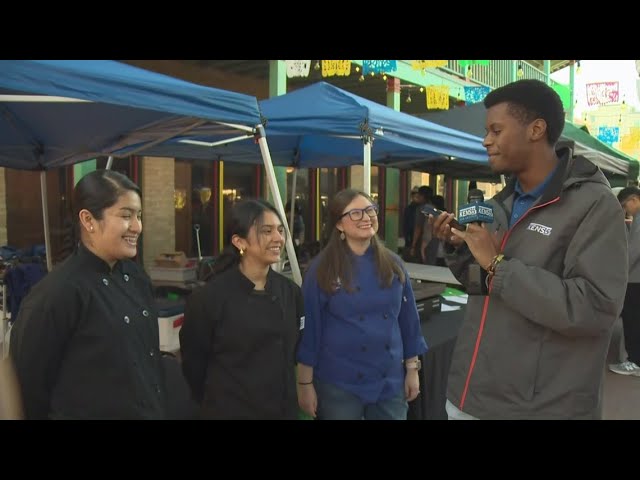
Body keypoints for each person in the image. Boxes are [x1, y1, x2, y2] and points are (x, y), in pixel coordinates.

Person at [430, 79, 628, 420]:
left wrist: (498, 263)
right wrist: (461, 250)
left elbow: (594, 309)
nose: (486, 140)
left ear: (536, 129)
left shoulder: (594, 205)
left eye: (496, 130)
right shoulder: (499, 204)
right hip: (469, 396)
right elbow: (483, 285)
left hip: (537, 408)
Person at [10, 170, 166, 420]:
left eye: (139, 216)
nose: (137, 226)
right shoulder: (58, 293)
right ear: (88, 220)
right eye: (126, 216)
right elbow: (29, 385)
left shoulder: (137, 278)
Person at [297, 188, 428, 420]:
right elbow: (310, 332)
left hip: (389, 381)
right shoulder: (321, 269)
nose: (367, 218)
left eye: (370, 210)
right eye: (356, 213)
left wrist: (412, 369)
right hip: (339, 383)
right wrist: (305, 383)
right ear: (339, 224)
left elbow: (409, 323)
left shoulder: (394, 264)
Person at [179, 199, 304, 419]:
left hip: (282, 410)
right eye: (267, 231)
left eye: (280, 230)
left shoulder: (290, 292)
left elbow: (294, 350)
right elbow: (194, 365)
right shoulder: (209, 298)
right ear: (239, 241)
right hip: (230, 409)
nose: (278, 238)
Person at [609, 187, 640, 376]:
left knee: (632, 319)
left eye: (625, 204)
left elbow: (634, 250)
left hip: (636, 279)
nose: (626, 209)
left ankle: (634, 361)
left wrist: (619, 272)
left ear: (635, 199)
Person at [402, 186, 420, 254]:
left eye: (418, 196)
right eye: (415, 196)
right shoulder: (409, 208)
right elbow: (406, 223)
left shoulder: (421, 208)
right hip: (410, 234)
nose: (416, 198)